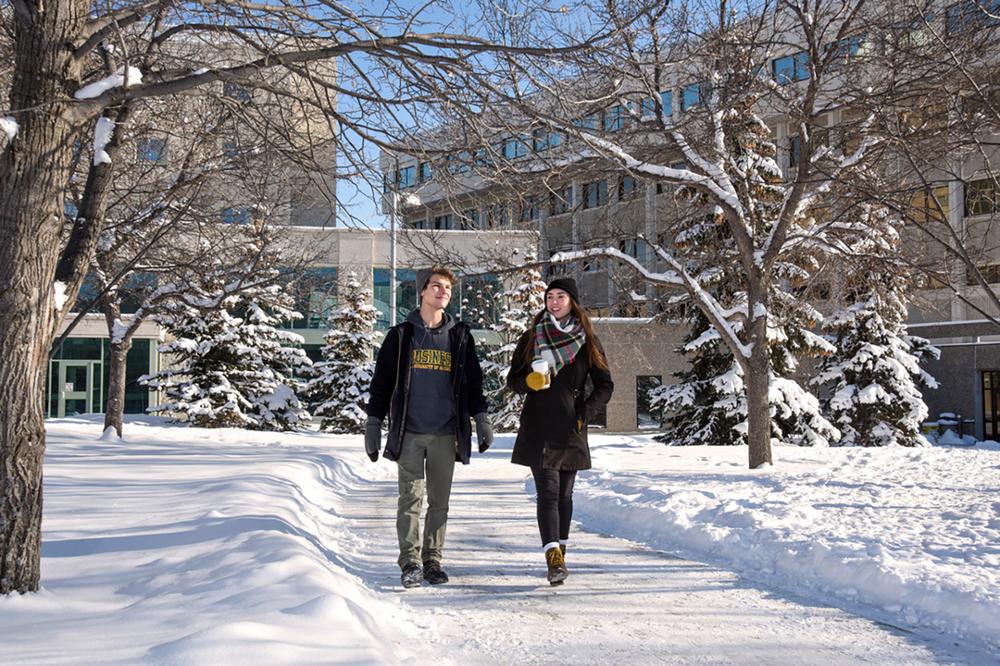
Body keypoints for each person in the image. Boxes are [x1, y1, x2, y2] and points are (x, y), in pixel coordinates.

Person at [365, 266, 493, 589]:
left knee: (440, 501)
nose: (443, 292)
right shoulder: (400, 336)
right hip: (410, 431)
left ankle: (432, 560)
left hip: (446, 432)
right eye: (437, 286)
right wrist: (373, 422)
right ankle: (409, 561)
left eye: (448, 287)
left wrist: (481, 418)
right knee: (410, 498)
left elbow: (473, 382)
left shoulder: (460, 336)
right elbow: (381, 384)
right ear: (422, 291)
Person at [507, 277, 613, 585]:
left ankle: (560, 554)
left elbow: (606, 384)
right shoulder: (531, 338)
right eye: (550, 296)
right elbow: (512, 380)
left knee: (565, 495)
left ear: (573, 302)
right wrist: (528, 382)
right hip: (539, 424)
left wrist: (584, 413)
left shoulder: (588, 340)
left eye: (561, 296)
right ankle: (552, 558)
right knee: (548, 492)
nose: (554, 301)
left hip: (571, 427)